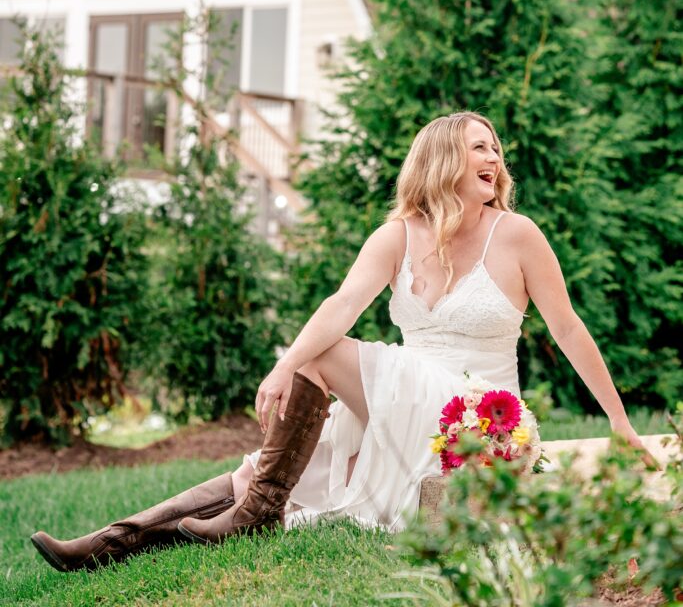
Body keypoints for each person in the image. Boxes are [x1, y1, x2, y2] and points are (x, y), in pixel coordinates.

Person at [31, 111, 653, 571]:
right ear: (441, 162)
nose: (494, 158)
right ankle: (108, 544)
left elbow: (568, 329)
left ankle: (256, 514)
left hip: (482, 419)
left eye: (495, 148)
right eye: (478, 148)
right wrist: (286, 365)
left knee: (318, 366)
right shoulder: (398, 235)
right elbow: (342, 304)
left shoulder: (518, 235)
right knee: (281, 465)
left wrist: (621, 423)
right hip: (403, 399)